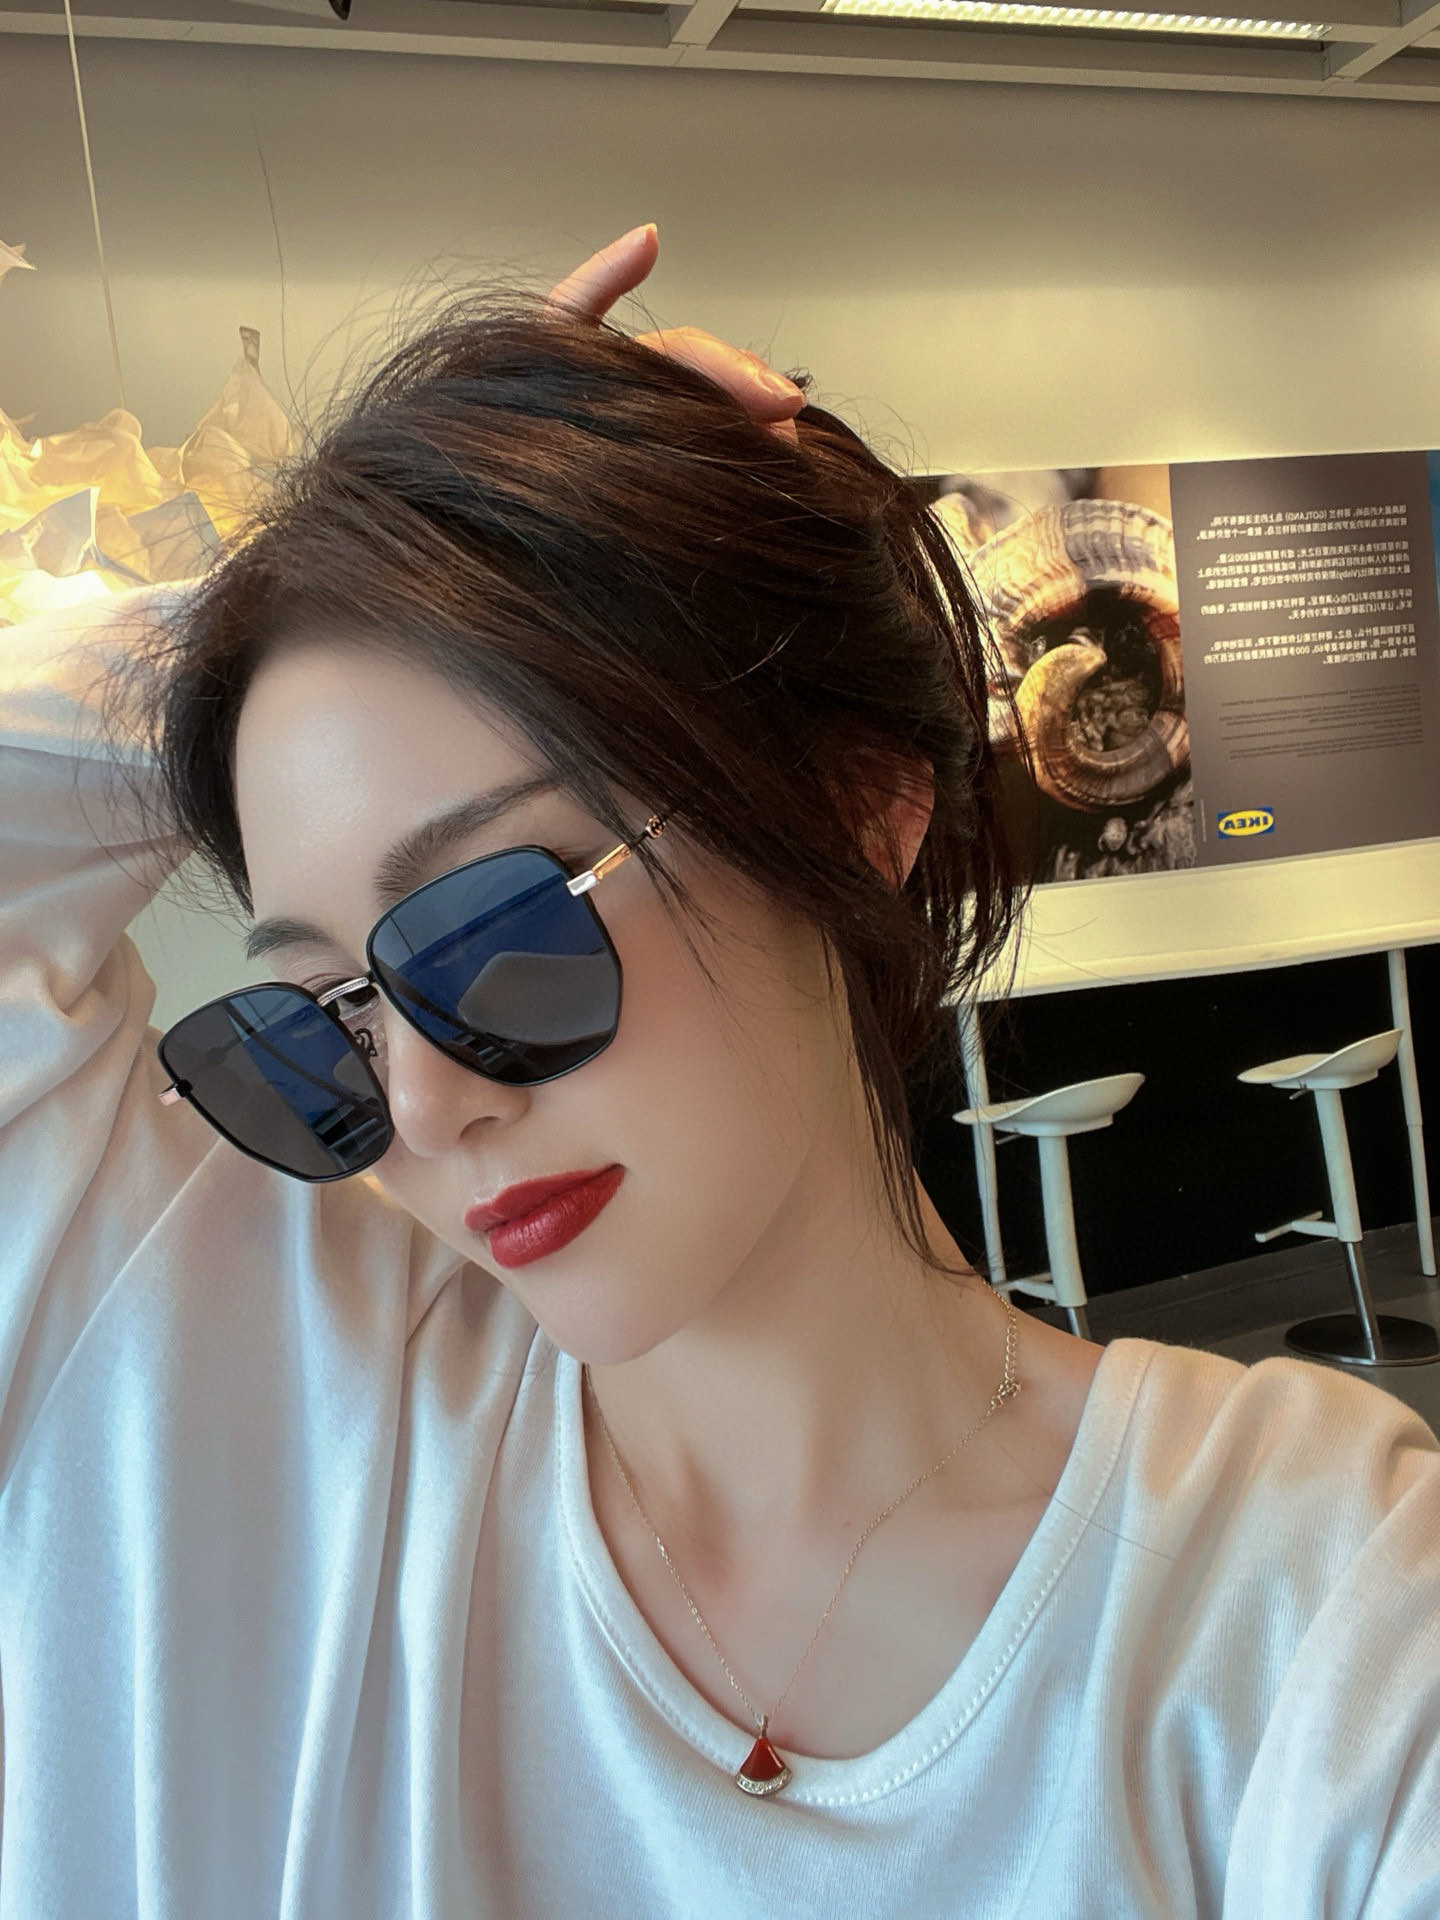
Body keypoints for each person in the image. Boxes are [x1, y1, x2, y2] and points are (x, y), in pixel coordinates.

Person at [1, 223, 1437, 1919]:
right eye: (326, 1018)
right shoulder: (283, 1414)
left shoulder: (1314, 1612)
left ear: (853, 814)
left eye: (494, 934)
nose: (428, 1107)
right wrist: (357, 542)